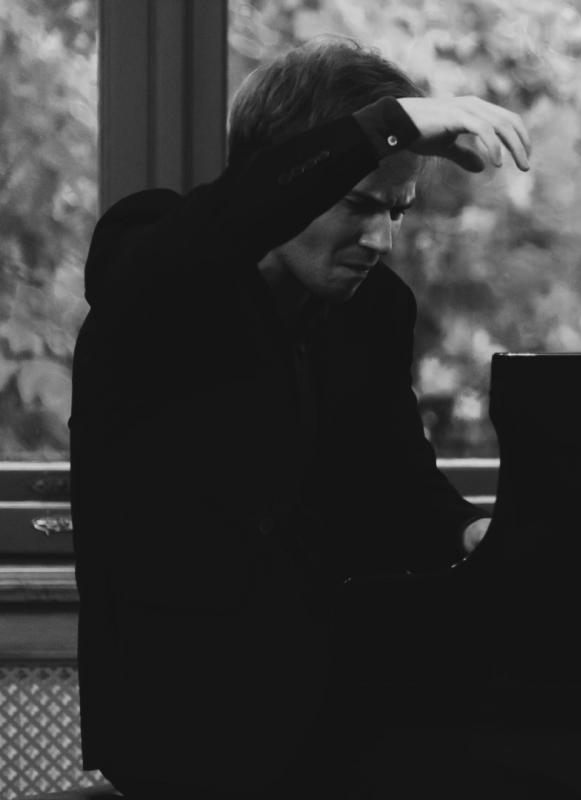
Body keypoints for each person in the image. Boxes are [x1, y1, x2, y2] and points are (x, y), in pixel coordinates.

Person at [70, 37, 530, 798]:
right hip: (182, 728)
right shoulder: (152, 253)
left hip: (332, 711)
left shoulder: (375, 308)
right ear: (288, 176)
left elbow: (395, 485)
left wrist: (470, 531)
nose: (382, 240)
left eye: (397, 211)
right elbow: (206, 240)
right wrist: (389, 125)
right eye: (359, 205)